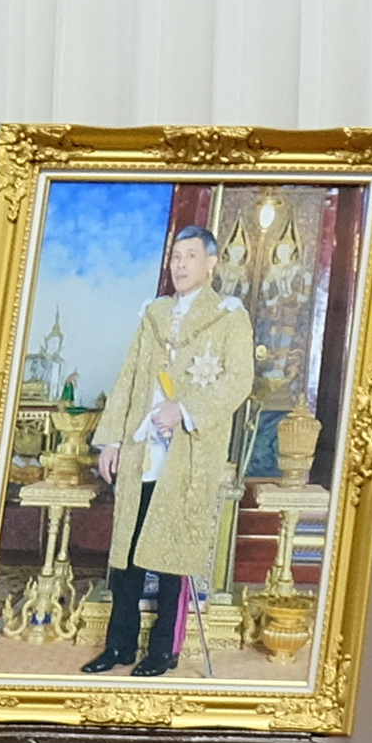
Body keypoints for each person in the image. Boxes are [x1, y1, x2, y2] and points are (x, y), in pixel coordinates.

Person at [85, 225, 255, 678]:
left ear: (211, 263)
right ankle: (119, 646)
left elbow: (239, 381)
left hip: (187, 455)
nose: (180, 265)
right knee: (127, 552)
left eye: (191, 256)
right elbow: (128, 378)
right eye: (176, 256)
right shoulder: (154, 314)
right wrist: (112, 440)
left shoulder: (228, 315)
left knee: (172, 555)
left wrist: (185, 409)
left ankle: (164, 649)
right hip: (142, 449)